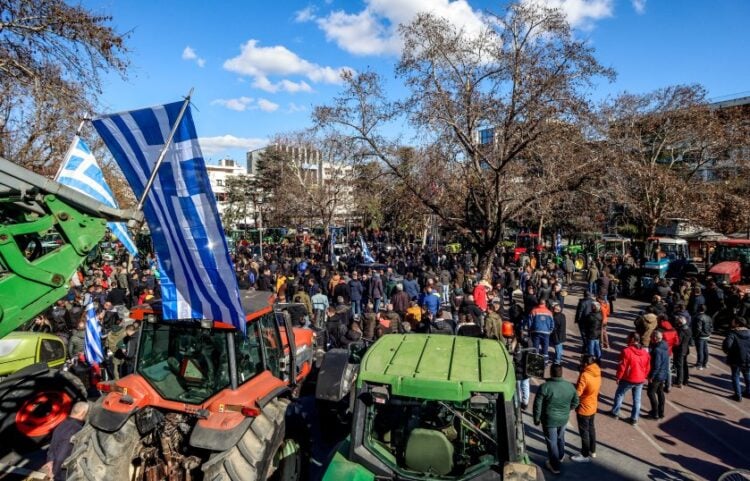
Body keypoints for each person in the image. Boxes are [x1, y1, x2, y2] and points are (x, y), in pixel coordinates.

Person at [533, 364, 580, 475]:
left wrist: (536, 418)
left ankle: (555, 466)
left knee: (552, 442)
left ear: (551, 373)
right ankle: (561, 456)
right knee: (561, 437)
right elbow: (576, 402)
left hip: (549, 419)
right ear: (561, 372)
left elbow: (537, 405)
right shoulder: (570, 386)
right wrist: (567, 409)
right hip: (563, 418)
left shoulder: (545, 387)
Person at [611, 332, 650, 425]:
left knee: (620, 394)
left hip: (629, 378)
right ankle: (634, 418)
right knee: (637, 399)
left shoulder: (626, 351)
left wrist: (618, 377)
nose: (626, 338)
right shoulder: (645, 352)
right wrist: (644, 376)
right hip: (640, 379)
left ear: (632, 339)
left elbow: (622, 366)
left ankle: (615, 412)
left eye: (628, 337)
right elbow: (648, 366)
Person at [44, 401, 89, 481]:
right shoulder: (75, 430)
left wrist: (50, 460)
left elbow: (54, 443)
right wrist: (55, 473)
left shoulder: (63, 423)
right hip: (62, 474)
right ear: (83, 413)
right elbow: (61, 456)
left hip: (54, 464)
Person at [572, 355, 601, 462]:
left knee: (584, 432)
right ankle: (592, 451)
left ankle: (584, 454)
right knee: (591, 429)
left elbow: (578, 392)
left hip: (584, 407)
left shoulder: (585, 375)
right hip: (593, 405)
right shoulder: (597, 372)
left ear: (585, 363)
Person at [722, 316, 750, 401]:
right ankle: (748, 392)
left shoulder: (733, 333)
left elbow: (727, 345)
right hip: (748, 358)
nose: (732, 323)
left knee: (735, 375)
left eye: (733, 322)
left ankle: (738, 395)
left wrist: (728, 352)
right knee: (747, 374)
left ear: (737, 324)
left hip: (735, 358)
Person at [647, 330, 669, 419]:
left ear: (655, 338)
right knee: (660, 392)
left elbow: (656, 365)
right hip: (663, 373)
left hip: (657, 375)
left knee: (651, 393)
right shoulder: (664, 345)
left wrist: (651, 376)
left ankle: (655, 413)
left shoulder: (657, 350)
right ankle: (661, 411)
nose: (650, 339)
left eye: (651, 337)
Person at [693, 304, 713, 370]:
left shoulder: (698, 317)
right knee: (705, 349)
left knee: (700, 350)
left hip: (700, 336)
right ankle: (705, 363)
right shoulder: (708, 317)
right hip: (706, 335)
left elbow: (698, 328)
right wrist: (709, 333)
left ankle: (699, 364)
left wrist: (695, 336)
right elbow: (711, 326)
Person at [673, 316, 691, 388]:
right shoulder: (688, 329)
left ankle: (679, 381)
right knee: (685, 365)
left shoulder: (681, 330)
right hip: (686, 349)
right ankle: (686, 379)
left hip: (680, 350)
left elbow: (678, 341)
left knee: (680, 366)